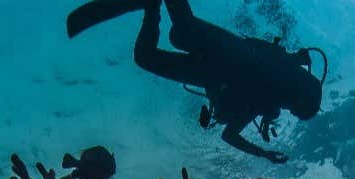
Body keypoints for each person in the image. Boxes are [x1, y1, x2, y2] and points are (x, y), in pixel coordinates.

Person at [68, 0, 325, 164]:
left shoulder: (267, 99)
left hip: (209, 73)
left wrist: (264, 153)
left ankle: (151, 6)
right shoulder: (277, 80)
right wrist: (264, 153)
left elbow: (228, 134)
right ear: (299, 97)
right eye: (295, 108)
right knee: (181, 27)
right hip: (232, 55)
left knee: (148, 54)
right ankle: (152, 7)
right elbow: (230, 134)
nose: (287, 109)